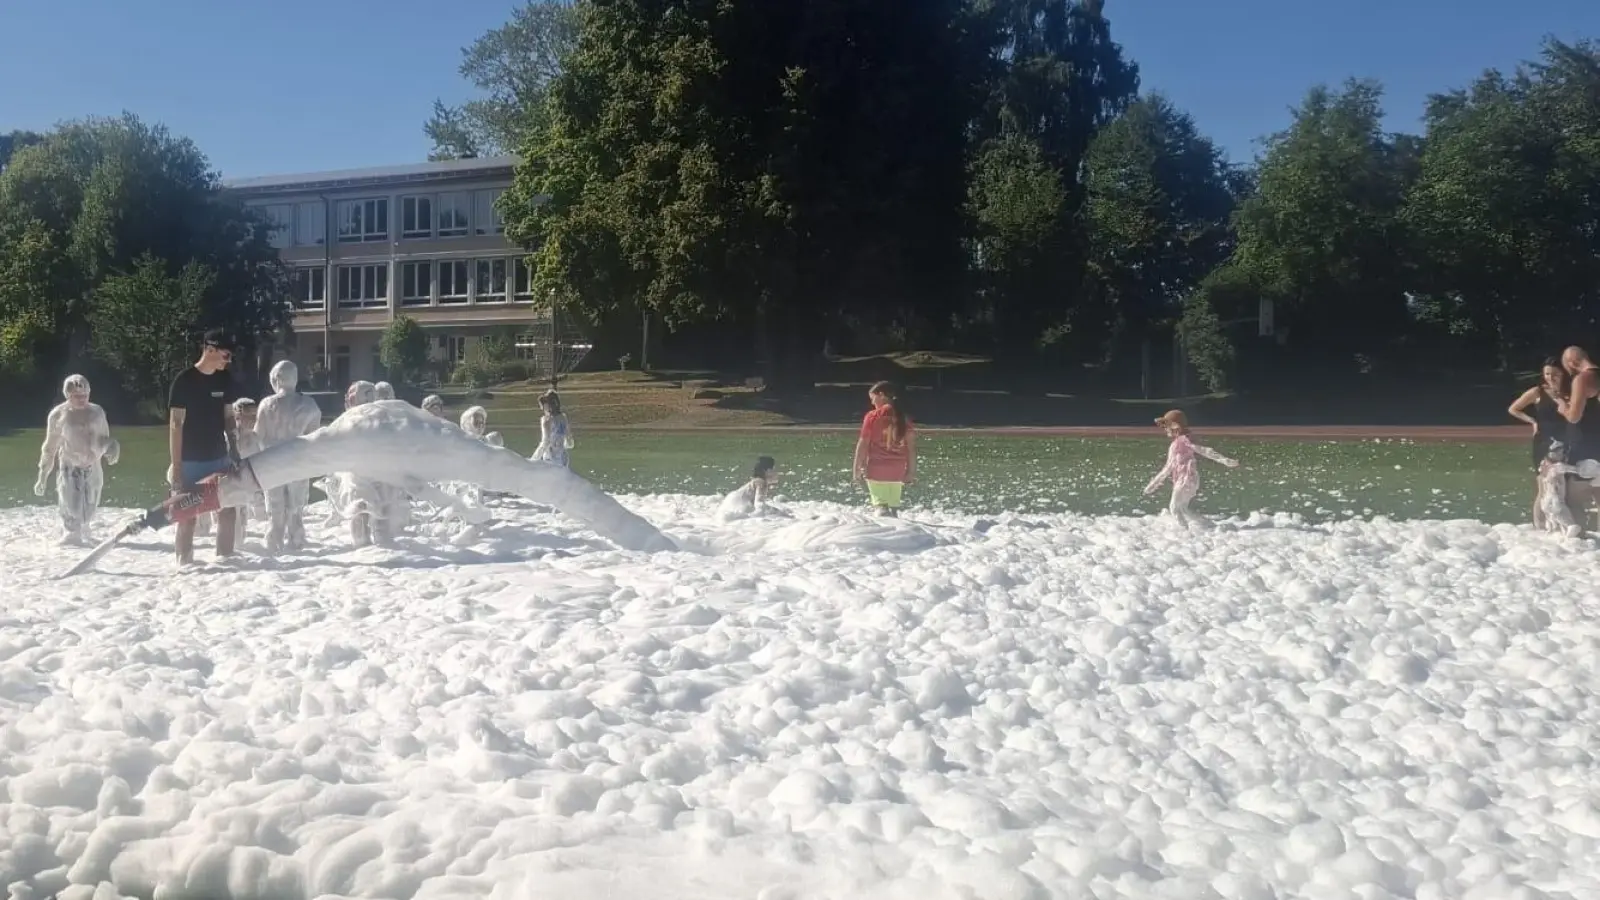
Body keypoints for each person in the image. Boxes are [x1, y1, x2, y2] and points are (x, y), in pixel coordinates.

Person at [168, 330, 242, 565]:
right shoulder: (185, 381)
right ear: (209, 350)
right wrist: (177, 470)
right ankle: (184, 563)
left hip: (219, 456)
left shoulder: (224, 379)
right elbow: (175, 426)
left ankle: (225, 559)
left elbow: (228, 416)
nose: (228, 360)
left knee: (227, 509)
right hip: (190, 460)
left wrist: (235, 450)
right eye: (225, 355)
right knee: (187, 515)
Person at [35, 374, 120, 545]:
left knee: (90, 503)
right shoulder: (59, 415)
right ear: (68, 395)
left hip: (93, 464)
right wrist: (42, 477)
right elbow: (49, 448)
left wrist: (112, 446)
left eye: (85, 395)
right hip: (70, 464)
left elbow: (104, 438)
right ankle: (71, 533)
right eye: (77, 396)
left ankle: (85, 529)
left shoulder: (97, 412)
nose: (82, 399)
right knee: (70, 503)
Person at [255, 360, 324, 553]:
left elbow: (257, 436)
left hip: (272, 460)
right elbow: (315, 437)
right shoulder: (310, 405)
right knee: (296, 506)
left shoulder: (267, 404)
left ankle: (274, 539)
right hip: (298, 460)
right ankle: (296, 540)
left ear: (276, 379)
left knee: (275, 505)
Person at [1144, 409, 1240, 529]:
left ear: (1175, 427)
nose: (1165, 429)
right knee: (1183, 508)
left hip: (1186, 479)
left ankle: (1185, 534)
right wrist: (1153, 484)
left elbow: (1205, 451)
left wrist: (1225, 461)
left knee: (1174, 508)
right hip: (1186, 479)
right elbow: (1168, 468)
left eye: (1167, 426)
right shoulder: (1176, 443)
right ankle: (1209, 526)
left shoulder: (1184, 441)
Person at [1509, 358, 1571, 524]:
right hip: (1543, 442)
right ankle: (1539, 529)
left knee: (1565, 488)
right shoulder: (1537, 392)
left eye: (1555, 374)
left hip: (1567, 442)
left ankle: (1564, 525)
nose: (1551, 378)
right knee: (1543, 488)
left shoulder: (1570, 391)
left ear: (1563, 373)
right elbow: (1514, 409)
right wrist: (1532, 421)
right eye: (1547, 374)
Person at [852, 381, 916, 517]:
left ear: (881, 395)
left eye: (872, 398)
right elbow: (910, 448)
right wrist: (910, 471)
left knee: (881, 510)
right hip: (897, 470)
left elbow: (863, 444)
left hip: (877, 468)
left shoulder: (872, 416)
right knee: (893, 511)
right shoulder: (904, 418)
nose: (872, 403)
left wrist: (856, 468)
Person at [1557, 346, 1600, 527]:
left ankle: (1581, 545)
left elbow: (1574, 417)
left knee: (1572, 498)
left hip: (1584, 445)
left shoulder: (1582, 379)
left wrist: (1563, 407)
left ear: (1572, 362)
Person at [1534, 441, 1585, 537]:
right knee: (1572, 526)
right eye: (1559, 453)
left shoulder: (1543, 464)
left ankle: (1554, 537)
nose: (1561, 455)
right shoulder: (1559, 467)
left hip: (1545, 501)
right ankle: (1569, 540)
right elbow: (1577, 470)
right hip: (1556, 502)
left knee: (1553, 525)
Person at [231, 398, 265, 536]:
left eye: (255, 415)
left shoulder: (256, 437)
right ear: (238, 416)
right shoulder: (230, 438)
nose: (254, 418)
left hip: (254, 485)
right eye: (249, 414)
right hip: (234, 485)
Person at [718, 456, 788, 521]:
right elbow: (760, 506)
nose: (777, 473)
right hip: (738, 501)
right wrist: (782, 515)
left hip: (731, 500)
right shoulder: (761, 482)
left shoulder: (756, 481)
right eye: (774, 469)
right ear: (766, 470)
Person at [530, 390, 574, 467]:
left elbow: (545, 442)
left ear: (546, 406)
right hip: (563, 459)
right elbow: (570, 443)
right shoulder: (563, 418)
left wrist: (532, 460)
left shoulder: (546, 421)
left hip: (550, 459)